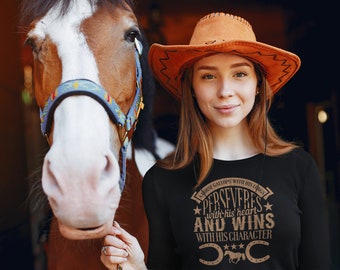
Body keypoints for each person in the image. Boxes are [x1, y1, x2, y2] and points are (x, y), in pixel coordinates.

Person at [100, 11, 331, 270]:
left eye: (240, 74)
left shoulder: (299, 168)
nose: (225, 91)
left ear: (258, 83)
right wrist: (136, 267)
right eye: (208, 76)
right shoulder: (161, 181)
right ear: (192, 87)